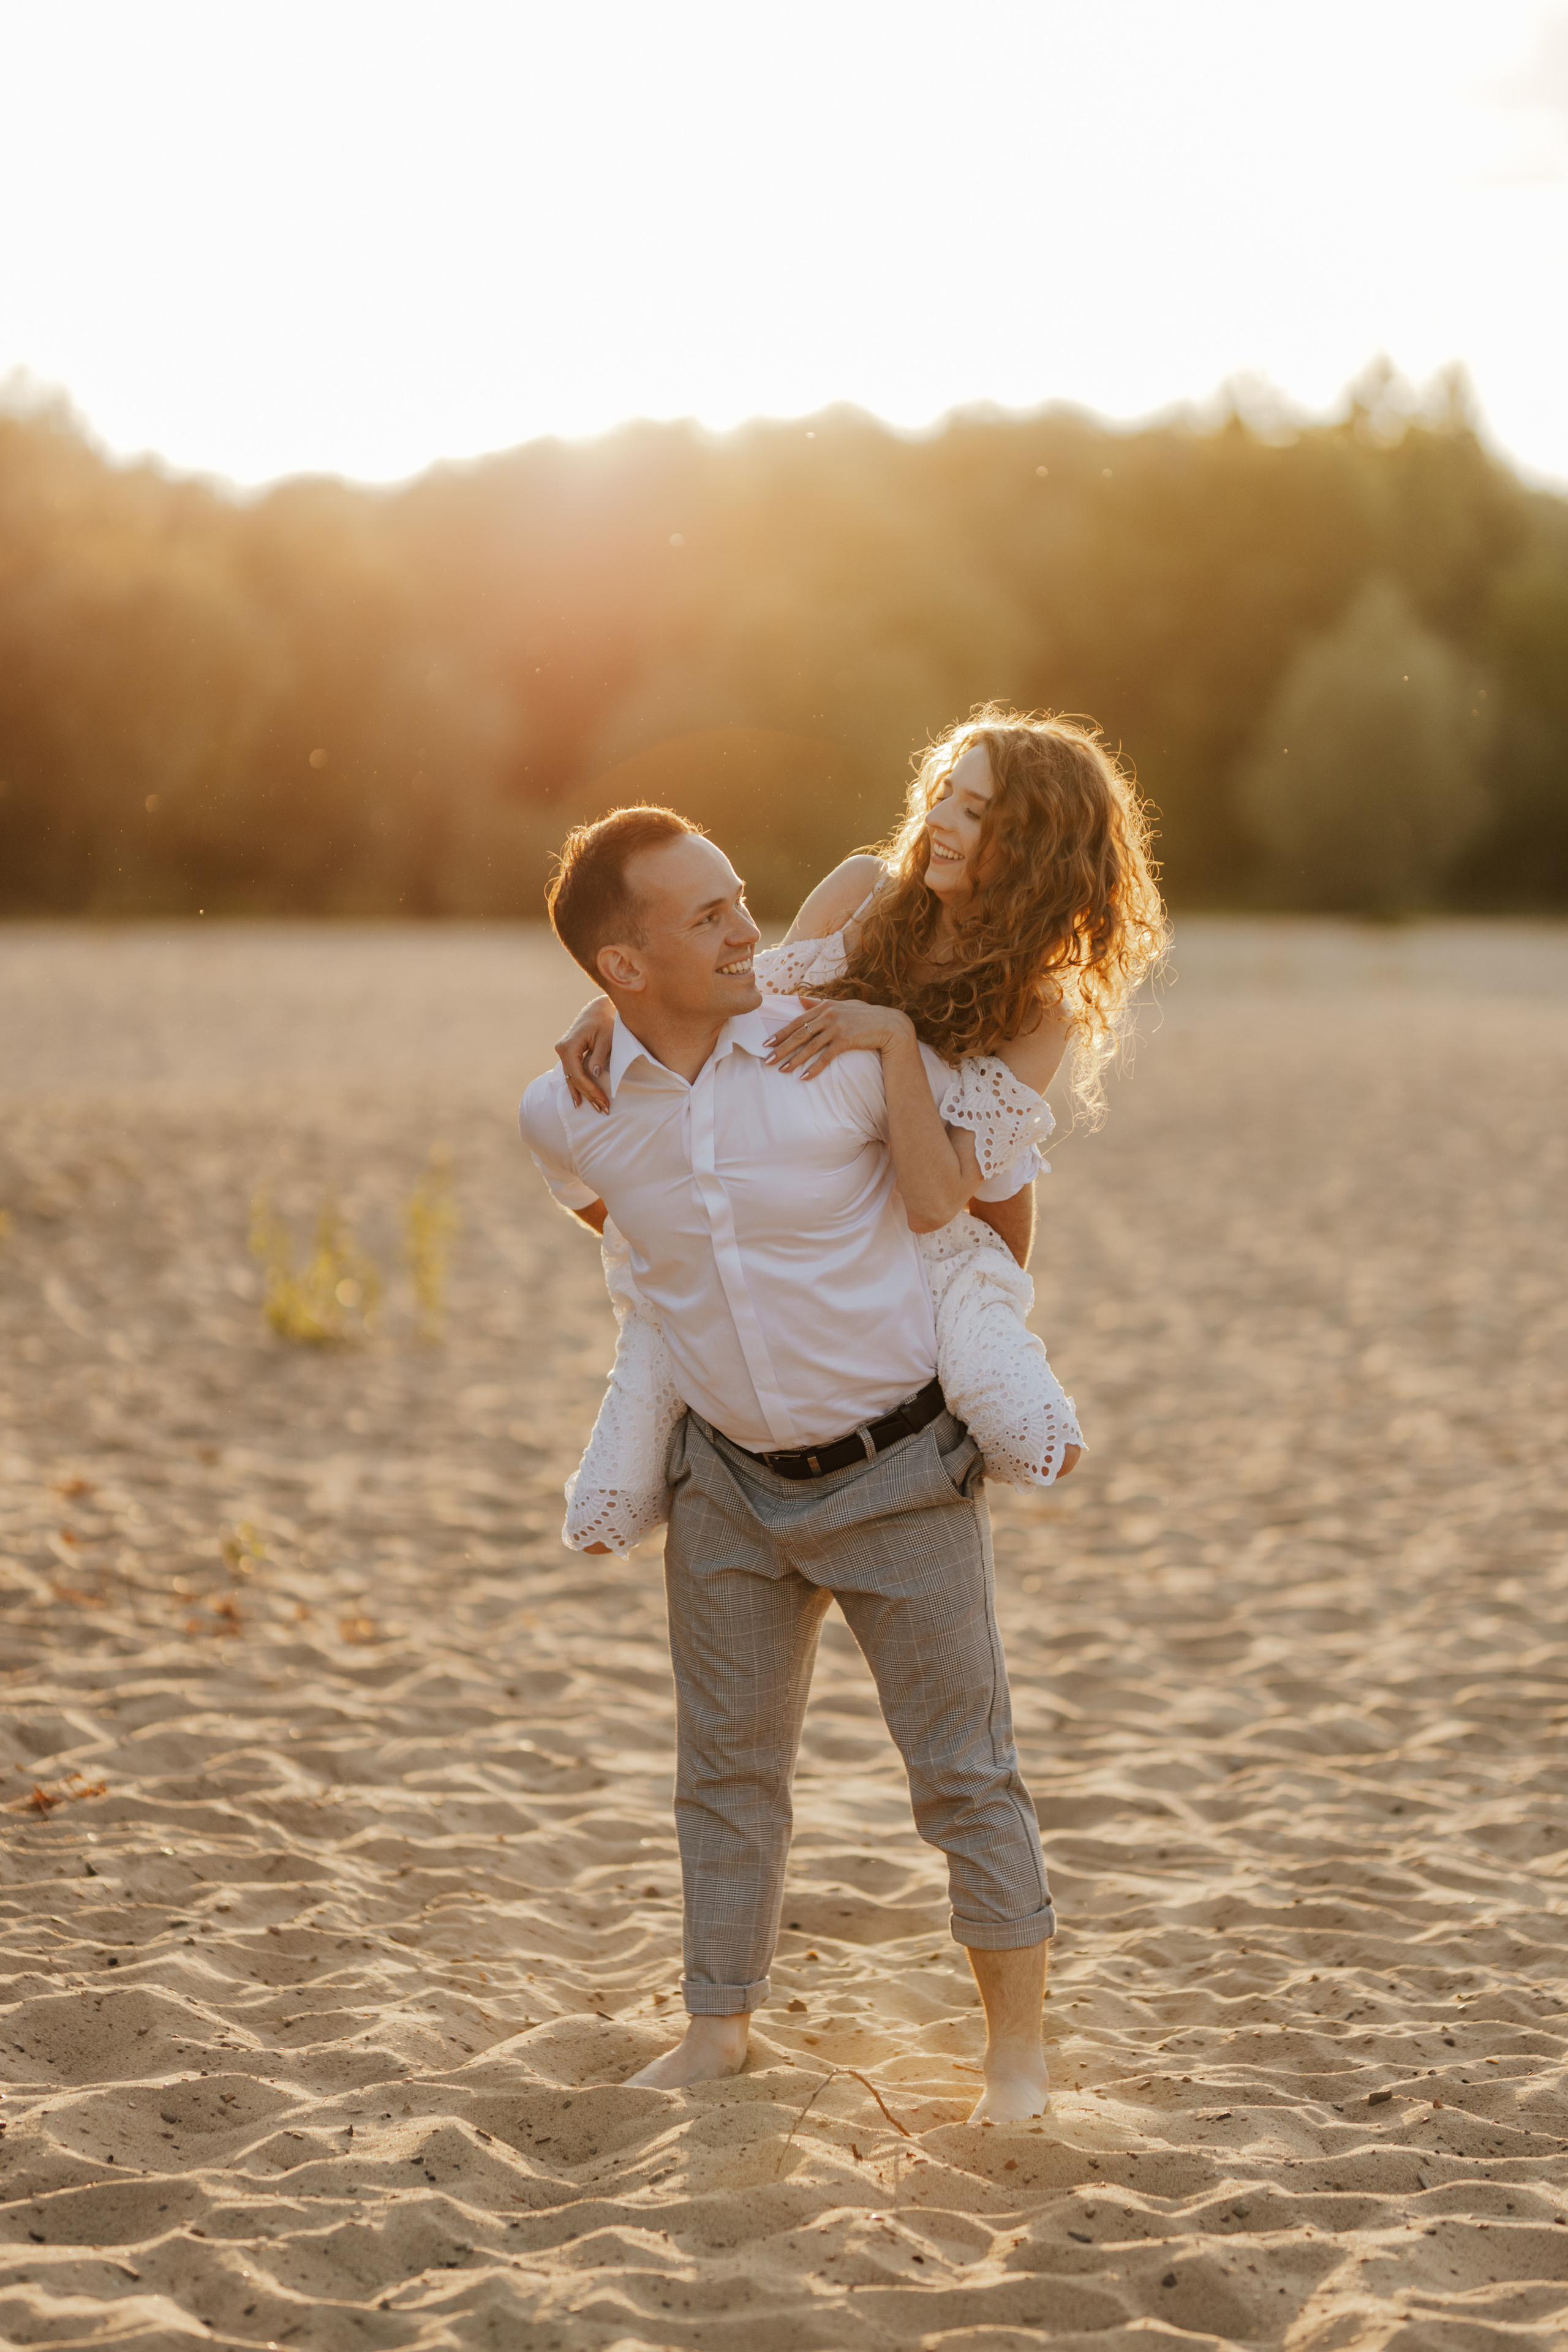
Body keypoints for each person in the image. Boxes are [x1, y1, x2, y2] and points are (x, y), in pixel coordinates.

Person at [519, 800, 1069, 2119]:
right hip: (728, 1491)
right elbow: (638, 1237)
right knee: (721, 1778)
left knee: (962, 1776)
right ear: (621, 968)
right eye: (705, 915)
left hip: (900, 1476)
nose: (745, 928)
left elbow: (987, 1208)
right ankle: (718, 2033)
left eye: (738, 897)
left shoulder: (831, 1052)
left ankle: (1014, 2056)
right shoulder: (565, 1109)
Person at [553, 706, 1166, 1556]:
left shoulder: (1039, 1007)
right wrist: (608, 1000)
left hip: (944, 1231)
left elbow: (948, 1200)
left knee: (1029, 1432)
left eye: (978, 812)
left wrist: (891, 1037)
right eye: (945, 793)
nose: (941, 821)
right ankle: (640, 1458)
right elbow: (731, 989)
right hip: (795, 1189)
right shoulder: (863, 894)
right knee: (661, 1329)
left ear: (1037, 844)